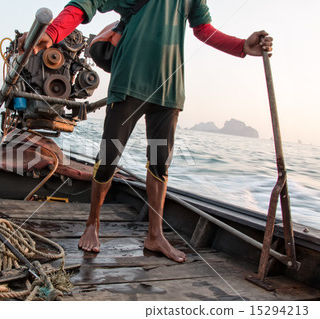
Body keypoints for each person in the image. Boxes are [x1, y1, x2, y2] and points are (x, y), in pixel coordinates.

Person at [18, 0, 273, 263]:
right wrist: (53, 32)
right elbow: (88, 3)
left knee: (160, 164)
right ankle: (92, 225)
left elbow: (203, 29)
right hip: (129, 81)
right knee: (108, 158)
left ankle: (155, 235)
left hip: (169, 89)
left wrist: (242, 46)